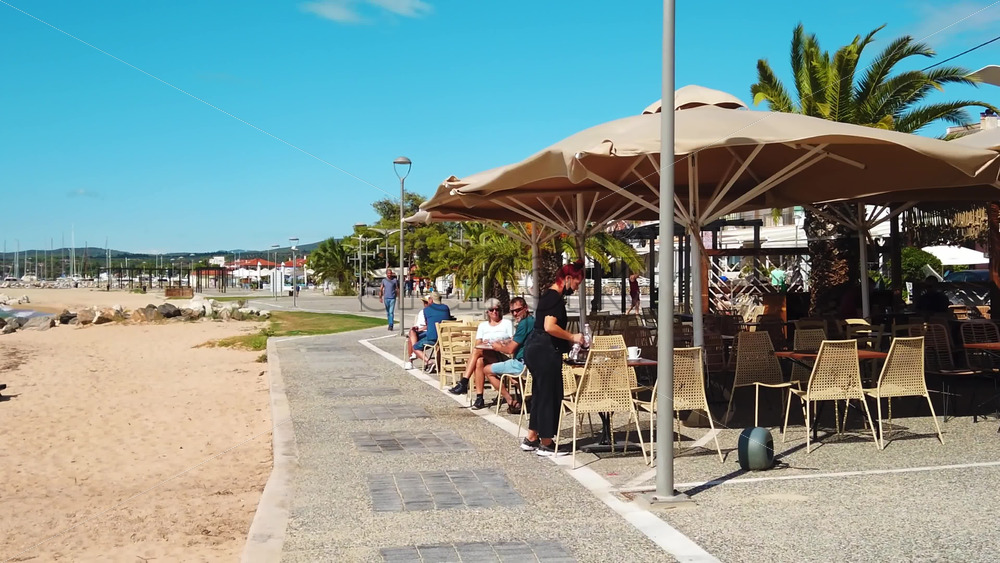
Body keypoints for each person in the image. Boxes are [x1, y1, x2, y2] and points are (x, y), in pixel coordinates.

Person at [522, 260, 584, 456]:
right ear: (567, 279)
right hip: (545, 350)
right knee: (550, 394)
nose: (576, 288)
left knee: (540, 393)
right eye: (576, 283)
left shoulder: (547, 297)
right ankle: (547, 442)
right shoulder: (555, 299)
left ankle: (532, 437)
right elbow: (550, 326)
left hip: (535, 348)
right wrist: (573, 337)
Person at [448, 298, 514, 409]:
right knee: (479, 361)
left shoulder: (506, 323)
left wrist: (502, 342)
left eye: (497, 309)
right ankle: (479, 398)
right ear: (487, 312)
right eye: (491, 310)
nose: (494, 312)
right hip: (487, 354)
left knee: (477, 352)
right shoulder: (483, 326)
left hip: (502, 355)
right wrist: (484, 342)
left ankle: (464, 383)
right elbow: (478, 343)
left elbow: (513, 340)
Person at [478, 296, 534, 414]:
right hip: (529, 362)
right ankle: (528, 398)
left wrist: (498, 346)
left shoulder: (523, 324)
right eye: (513, 311)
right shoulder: (531, 321)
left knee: (487, 369)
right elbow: (516, 341)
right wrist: (506, 342)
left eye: (518, 310)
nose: (515, 313)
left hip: (520, 364)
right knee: (481, 360)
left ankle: (511, 401)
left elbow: (510, 350)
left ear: (526, 308)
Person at [410, 291, 452, 368]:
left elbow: (428, 324)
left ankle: (429, 362)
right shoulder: (446, 308)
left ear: (431, 299)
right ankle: (439, 365)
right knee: (437, 342)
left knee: (415, 347)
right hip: (445, 337)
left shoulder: (426, 310)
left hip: (433, 338)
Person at [403, 296, 431, 368]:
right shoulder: (421, 312)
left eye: (426, 302)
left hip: (427, 332)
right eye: (424, 302)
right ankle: (415, 354)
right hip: (420, 332)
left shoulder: (431, 312)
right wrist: (416, 328)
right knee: (412, 332)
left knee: (410, 340)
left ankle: (411, 360)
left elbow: (430, 325)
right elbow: (418, 324)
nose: (424, 304)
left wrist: (421, 329)